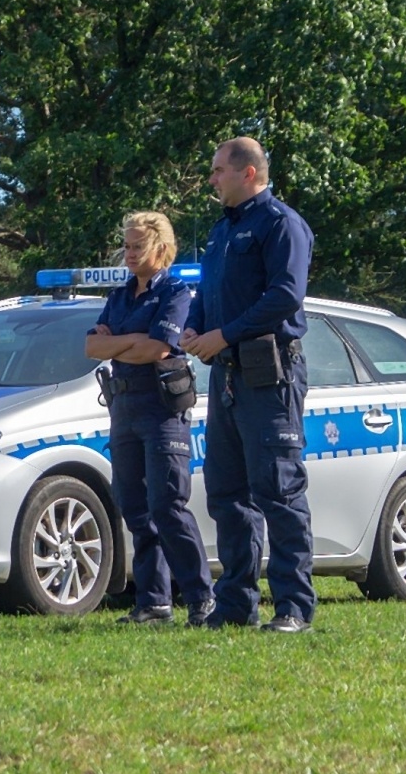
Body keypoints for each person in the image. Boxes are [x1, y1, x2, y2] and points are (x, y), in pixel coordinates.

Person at [180, 137, 315, 633]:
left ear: (249, 173)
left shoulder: (281, 224)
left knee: (278, 491)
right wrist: (196, 326)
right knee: (227, 493)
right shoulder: (221, 232)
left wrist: (225, 334)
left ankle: (293, 607)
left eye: (218, 171)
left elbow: (284, 296)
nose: (212, 180)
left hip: (269, 372)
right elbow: (207, 292)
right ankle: (236, 604)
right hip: (228, 376)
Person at [85, 212, 216, 627]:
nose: (129, 254)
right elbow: (91, 347)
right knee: (135, 508)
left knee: (168, 506)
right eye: (126, 246)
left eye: (137, 246)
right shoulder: (120, 296)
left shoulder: (176, 292)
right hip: (123, 408)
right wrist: (131, 344)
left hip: (162, 410)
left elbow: (160, 348)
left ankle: (201, 598)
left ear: (160, 248)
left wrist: (118, 345)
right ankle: (153, 603)